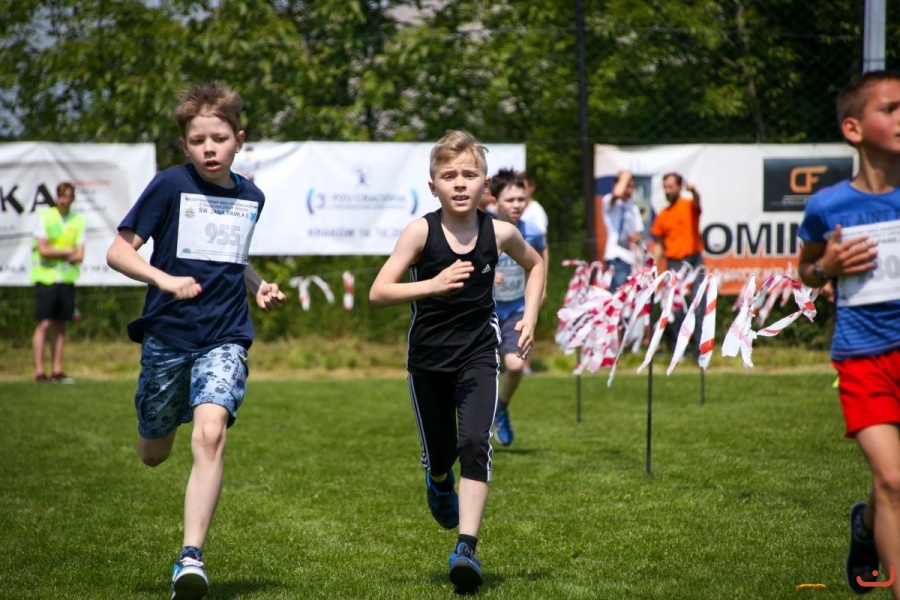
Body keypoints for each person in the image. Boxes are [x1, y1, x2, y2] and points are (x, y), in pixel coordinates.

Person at [106, 82, 286, 600]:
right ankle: (160, 416)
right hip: (167, 335)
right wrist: (163, 280)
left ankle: (191, 558)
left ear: (239, 141)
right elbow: (119, 252)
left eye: (219, 139)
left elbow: (234, 258)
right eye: (198, 140)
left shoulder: (251, 196)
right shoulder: (169, 185)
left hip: (225, 336)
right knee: (153, 452)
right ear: (184, 145)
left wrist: (259, 285)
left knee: (209, 434)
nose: (209, 148)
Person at [369, 130, 545, 594]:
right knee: (441, 454)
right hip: (427, 362)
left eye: (469, 174)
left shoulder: (500, 233)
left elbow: (536, 265)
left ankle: (466, 548)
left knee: (474, 443)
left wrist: (529, 316)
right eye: (449, 176)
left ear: (485, 185)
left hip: (478, 356)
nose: (460, 183)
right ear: (434, 187)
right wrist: (433, 284)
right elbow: (378, 291)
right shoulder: (420, 232)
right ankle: (438, 478)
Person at [797, 69, 900, 597]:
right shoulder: (828, 206)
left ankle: (866, 527)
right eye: (891, 108)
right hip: (863, 357)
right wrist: (828, 267)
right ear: (854, 128)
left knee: (894, 482)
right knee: (894, 480)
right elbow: (806, 272)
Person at [490, 168, 547, 446]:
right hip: (486, 309)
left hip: (515, 308)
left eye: (521, 199)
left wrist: (539, 294)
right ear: (495, 201)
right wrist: (487, 275)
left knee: (515, 365)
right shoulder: (483, 229)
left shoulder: (532, 232)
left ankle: (500, 410)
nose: (517, 205)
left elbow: (539, 262)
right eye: (510, 200)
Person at [31, 181, 84, 383]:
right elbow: (43, 250)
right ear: (57, 197)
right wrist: (68, 251)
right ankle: (39, 371)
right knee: (44, 323)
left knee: (60, 325)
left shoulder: (78, 220)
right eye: (62, 196)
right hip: (46, 278)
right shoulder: (46, 216)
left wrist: (57, 251)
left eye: (68, 196)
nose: (65, 200)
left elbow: (80, 255)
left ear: (73, 198)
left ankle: (57, 370)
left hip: (66, 279)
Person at [650, 172, 705, 355]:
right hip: (674, 264)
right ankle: (680, 350)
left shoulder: (689, 205)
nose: (667, 190)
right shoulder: (663, 215)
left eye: (670, 187)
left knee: (699, 305)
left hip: (694, 261)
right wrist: (654, 268)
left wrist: (694, 190)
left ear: (679, 187)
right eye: (665, 187)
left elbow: (698, 201)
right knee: (675, 308)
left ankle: (701, 351)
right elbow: (659, 244)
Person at [599, 170, 645, 292]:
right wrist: (626, 175)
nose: (629, 190)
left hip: (630, 260)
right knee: (616, 295)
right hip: (616, 257)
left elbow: (639, 233)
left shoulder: (633, 208)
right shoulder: (610, 201)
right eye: (626, 186)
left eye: (631, 187)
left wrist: (634, 237)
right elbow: (617, 193)